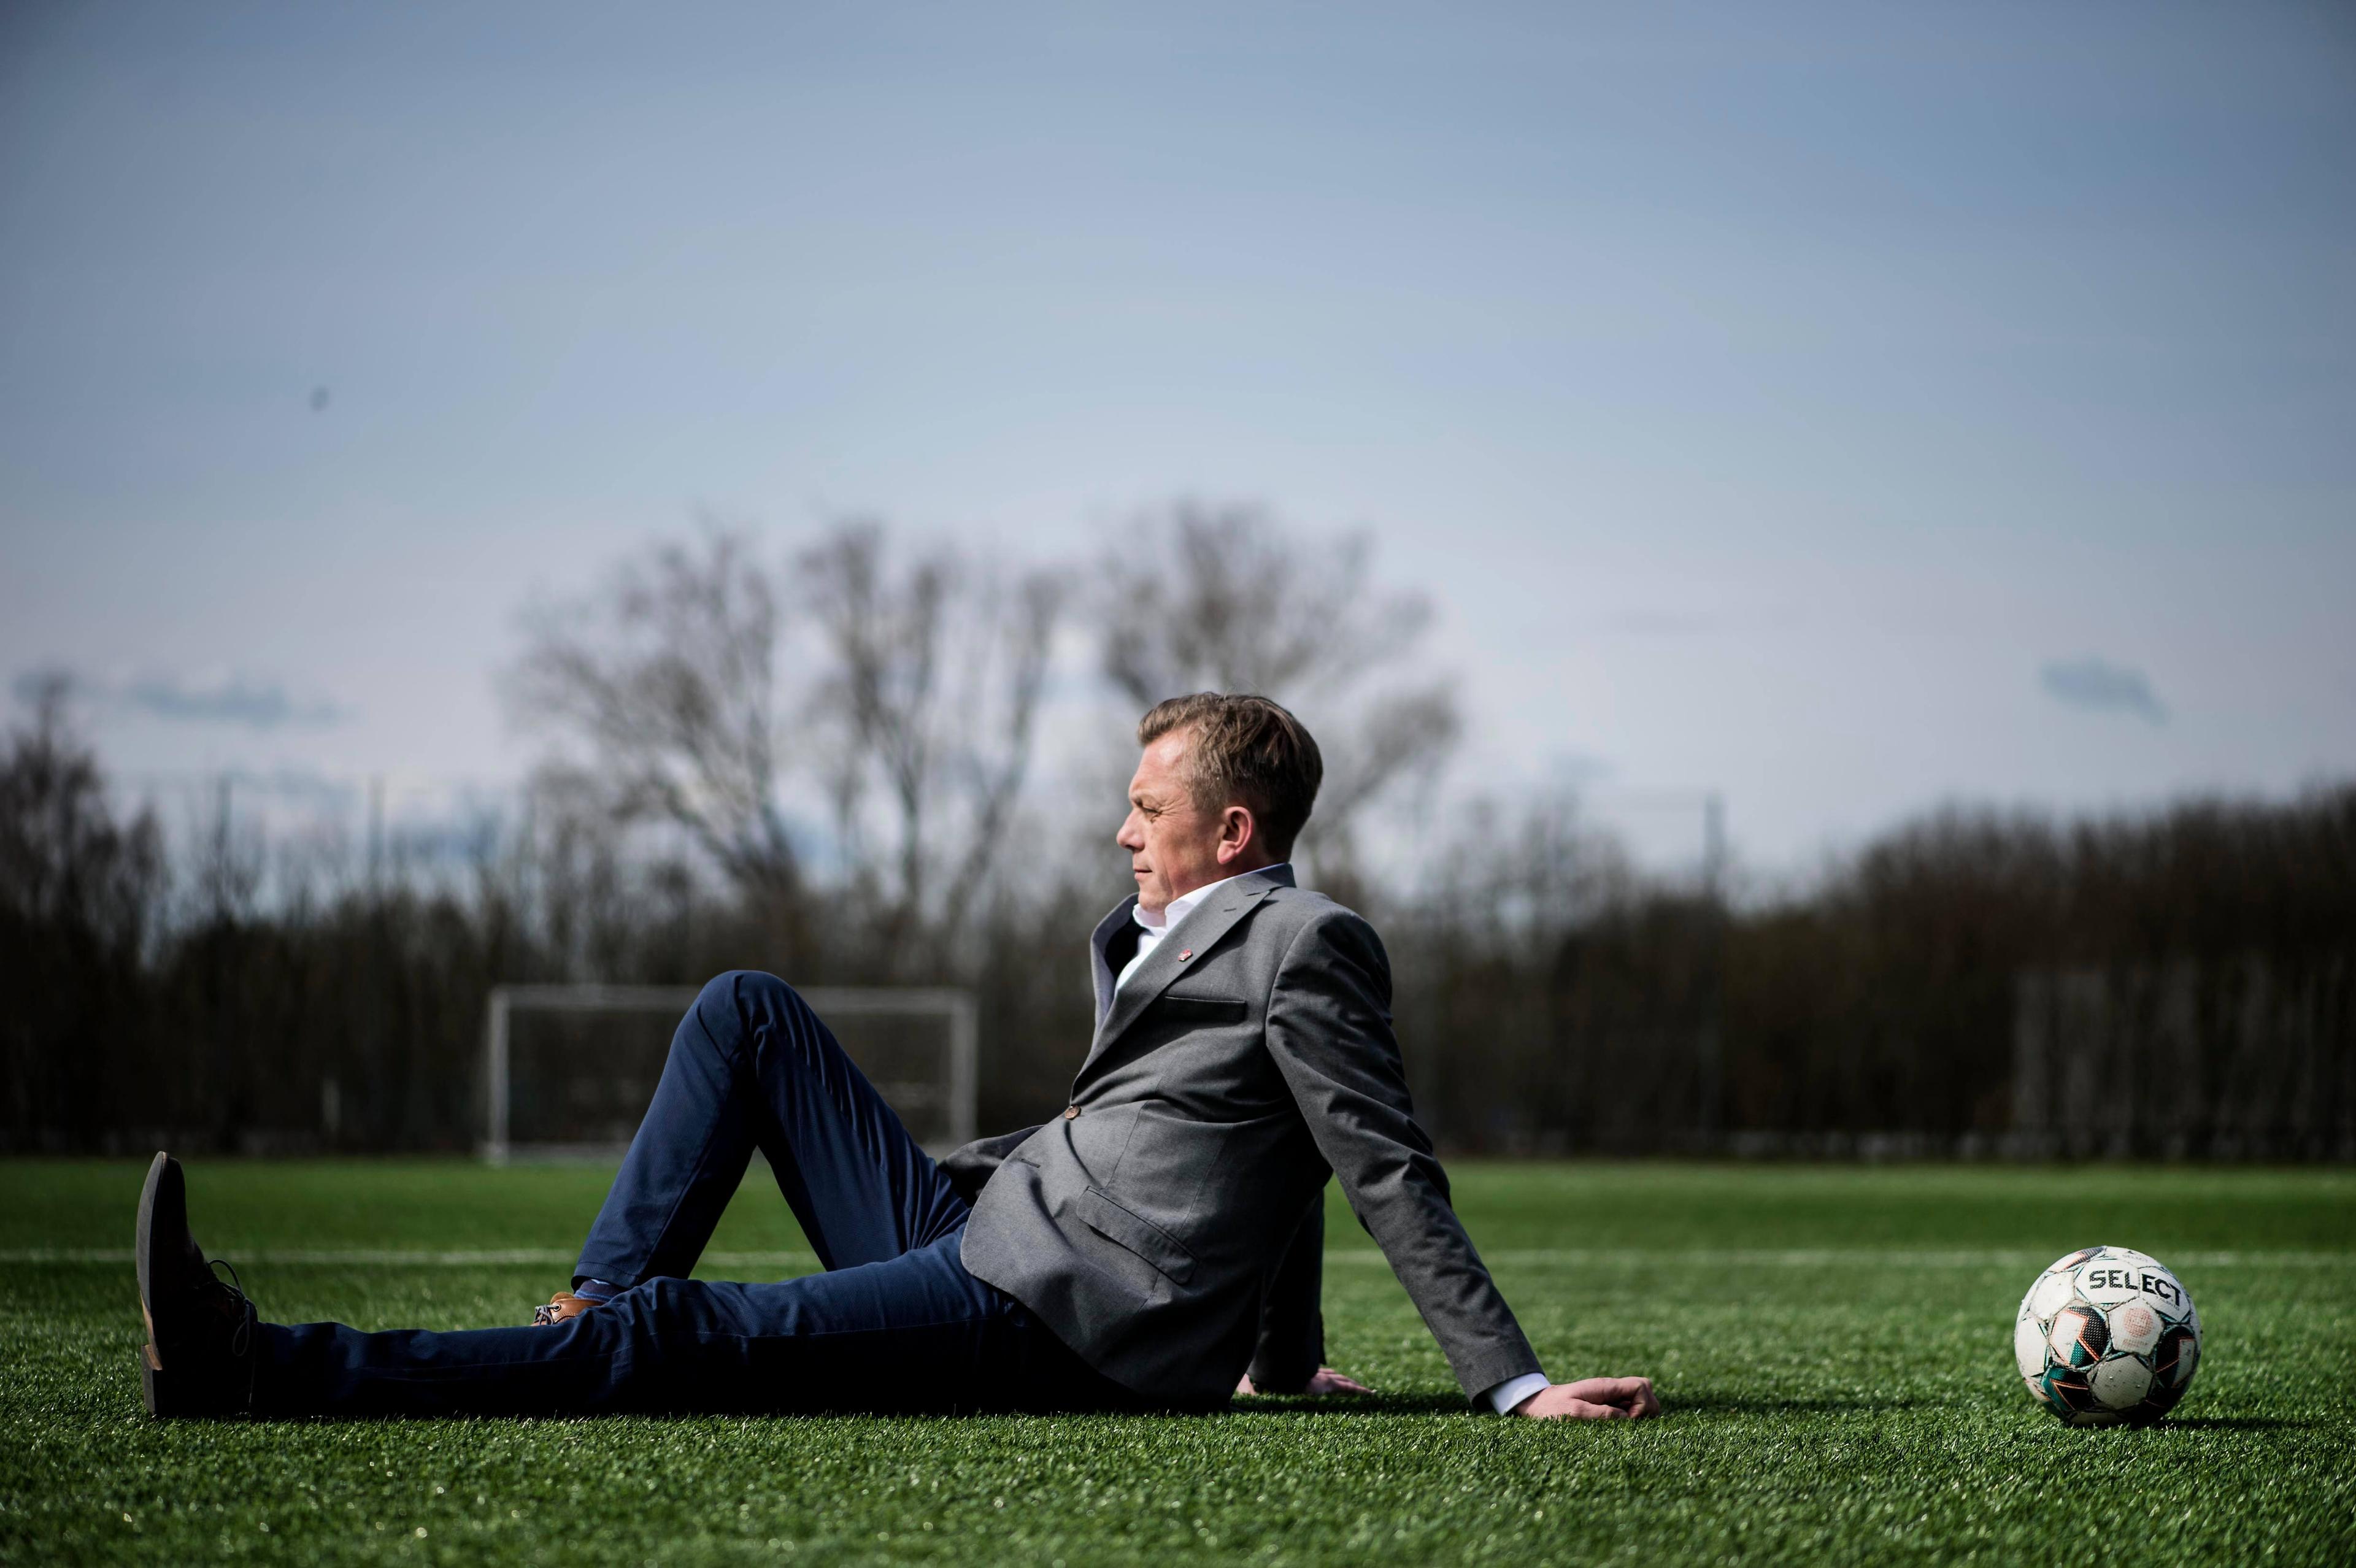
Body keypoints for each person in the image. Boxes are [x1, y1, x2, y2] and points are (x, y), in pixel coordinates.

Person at [135, 693, 1660, 1423]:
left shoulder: (1304, 943)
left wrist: (1509, 1384)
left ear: (1232, 831)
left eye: (1147, 805)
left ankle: (254, 1368)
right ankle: (589, 1304)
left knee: (685, 1341)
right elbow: (1260, 1160)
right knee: (747, 1009)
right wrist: (1271, 1360)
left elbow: (1370, 1160)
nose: (1123, 829)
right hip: (982, 1225)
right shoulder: (1144, 935)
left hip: (1053, 1316)